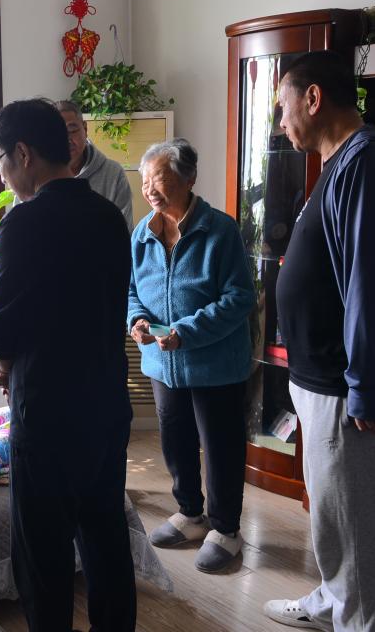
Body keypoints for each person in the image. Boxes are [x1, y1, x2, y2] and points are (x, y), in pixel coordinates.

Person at [265, 50, 375, 631]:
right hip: (324, 380)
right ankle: (330, 602)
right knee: (333, 516)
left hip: (346, 388)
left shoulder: (369, 164)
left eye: (283, 107)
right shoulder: (341, 163)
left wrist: (363, 386)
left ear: (313, 99)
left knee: (357, 530)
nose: (280, 122)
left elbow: (372, 283)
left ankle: (359, 620)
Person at [0, 98, 136, 631]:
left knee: (43, 559)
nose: (1, 176)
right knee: (106, 541)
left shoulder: (23, 224)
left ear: (23, 154)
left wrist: (5, 364)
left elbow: (2, 323)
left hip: (48, 416)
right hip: (106, 408)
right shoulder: (109, 217)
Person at [127, 138, 255, 573]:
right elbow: (132, 291)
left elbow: (239, 298)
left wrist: (186, 332)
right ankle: (190, 513)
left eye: (159, 179)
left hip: (214, 364)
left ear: (189, 179)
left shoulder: (220, 230)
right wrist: (137, 320)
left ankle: (226, 529)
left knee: (219, 446)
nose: (150, 189)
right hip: (163, 364)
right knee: (175, 439)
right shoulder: (142, 234)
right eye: (145, 180)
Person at [55, 99, 134, 227]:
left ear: (85, 129)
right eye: (58, 133)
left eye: (72, 131)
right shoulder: (41, 174)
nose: (67, 140)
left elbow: (125, 230)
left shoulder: (113, 173)